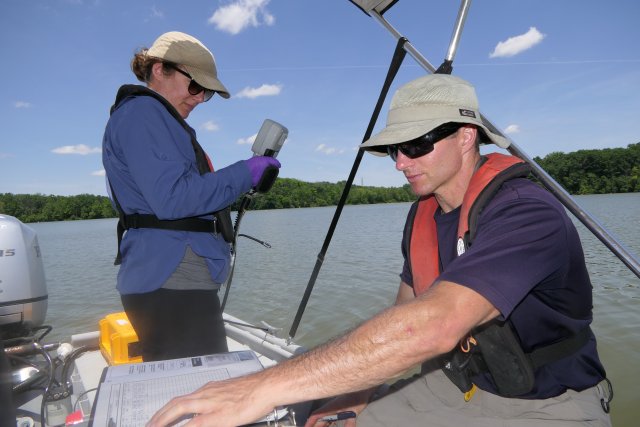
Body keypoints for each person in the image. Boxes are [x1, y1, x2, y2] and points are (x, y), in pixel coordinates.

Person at [147, 74, 611, 427]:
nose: (402, 162)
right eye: (394, 150)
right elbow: (407, 308)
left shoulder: (527, 213)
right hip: (457, 384)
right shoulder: (424, 214)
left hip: (550, 406)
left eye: (415, 144)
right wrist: (360, 392)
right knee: (316, 414)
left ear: (466, 136)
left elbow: (434, 325)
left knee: (276, 395)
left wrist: (260, 387)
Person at [102, 31, 280, 362]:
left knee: (189, 387)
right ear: (159, 70)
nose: (199, 99)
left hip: (171, 280)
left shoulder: (155, 120)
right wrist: (245, 172)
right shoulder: (144, 114)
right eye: (195, 86)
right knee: (202, 389)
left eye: (207, 93)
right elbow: (173, 198)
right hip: (171, 281)